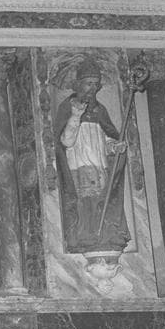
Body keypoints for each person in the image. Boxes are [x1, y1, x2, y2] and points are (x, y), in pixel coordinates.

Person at [55, 56, 131, 253]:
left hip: (99, 165)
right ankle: (85, 236)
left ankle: (104, 235)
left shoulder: (100, 110)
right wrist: (75, 116)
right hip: (79, 164)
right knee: (85, 202)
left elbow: (105, 138)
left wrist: (114, 147)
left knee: (102, 199)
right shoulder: (69, 107)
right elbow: (65, 141)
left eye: (96, 84)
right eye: (88, 83)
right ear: (78, 84)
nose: (93, 88)